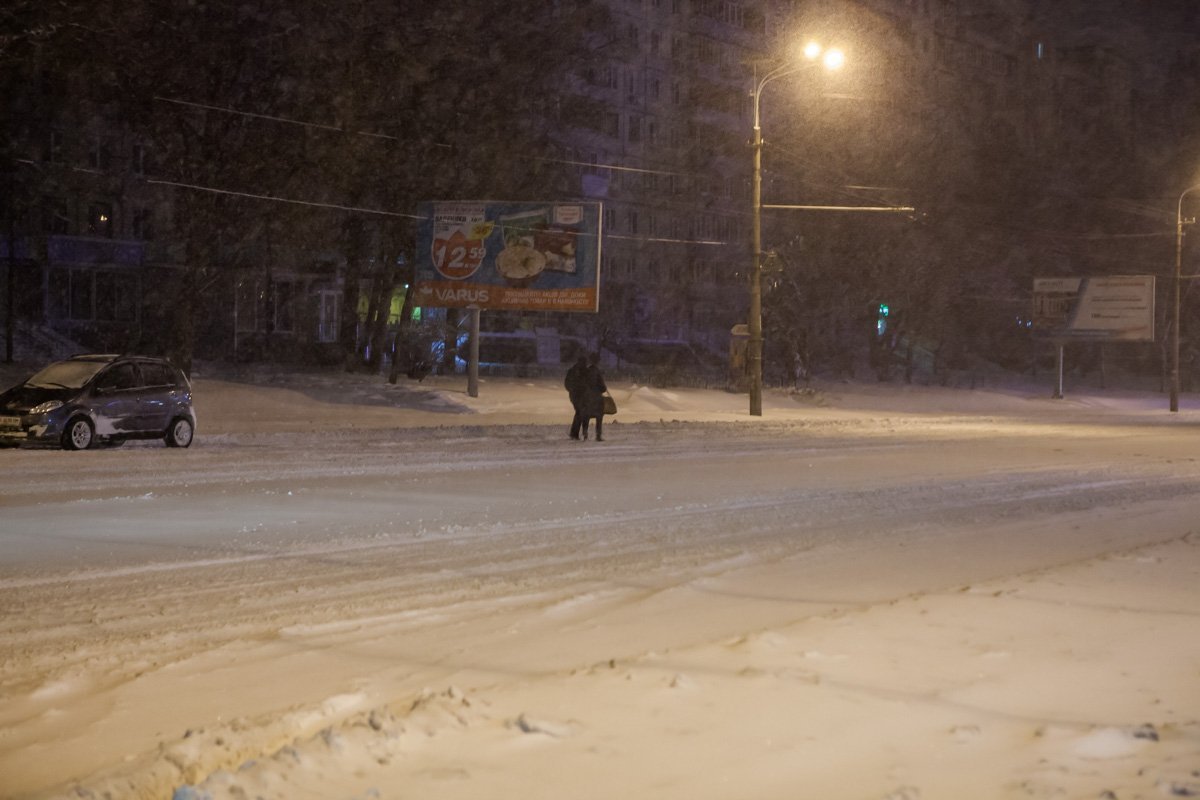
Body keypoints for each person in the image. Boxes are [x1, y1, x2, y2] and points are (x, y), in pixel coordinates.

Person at [579, 353, 608, 442]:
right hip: (596, 397)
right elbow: (603, 387)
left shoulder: (586, 371)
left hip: (586, 397)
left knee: (586, 416)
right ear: (598, 361)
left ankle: (585, 434)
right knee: (599, 416)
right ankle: (598, 435)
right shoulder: (597, 372)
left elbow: (581, 384)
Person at [564, 354, 589, 440]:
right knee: (581, 412)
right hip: (578, 395)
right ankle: (578, 433)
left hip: (578, 395)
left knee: (580, 413)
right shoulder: (581, 371)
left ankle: (576, 433)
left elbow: (566, 383)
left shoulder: (573, 371)